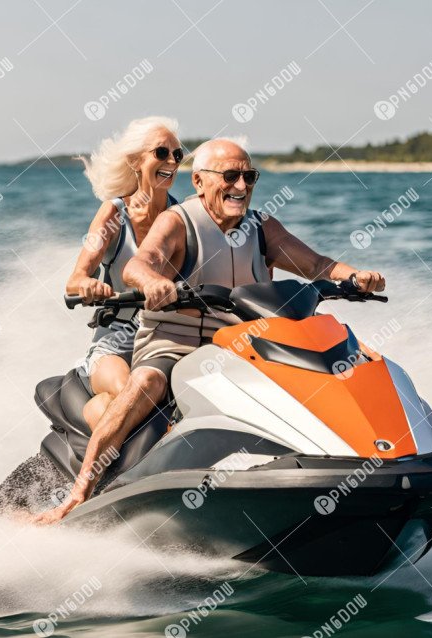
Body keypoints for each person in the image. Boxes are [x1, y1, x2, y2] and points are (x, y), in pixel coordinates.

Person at [32, 138, 385, 524]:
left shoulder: (261, 226)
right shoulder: (178, 221)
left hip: (240, 341)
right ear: (199, 182)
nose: (241, 186)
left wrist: (353, 275)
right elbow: (139, 265)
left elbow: (315, 262)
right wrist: (152, 282)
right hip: (176, 341)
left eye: (249, 176)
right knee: (145, 383)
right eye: (230, 176)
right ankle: (77, 496)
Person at [65, 116, 184, 429]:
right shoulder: (113, 214)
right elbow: (75, 280)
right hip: (116, 343)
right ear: (135, 161)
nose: (171, 161)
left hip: (167, 340)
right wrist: (89, 286)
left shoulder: (183, 218)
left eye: (177, 154)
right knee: (127, 394)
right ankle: (97, 416)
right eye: (161, 153)